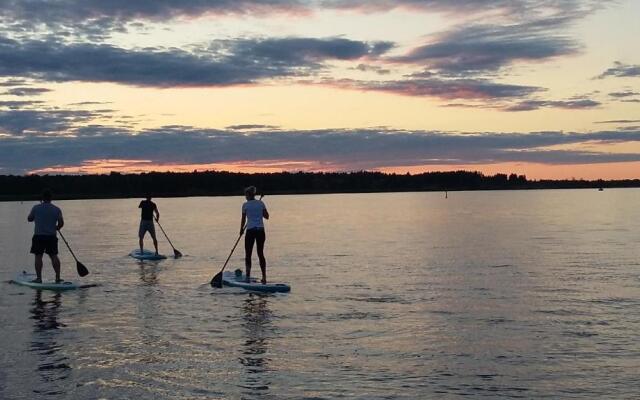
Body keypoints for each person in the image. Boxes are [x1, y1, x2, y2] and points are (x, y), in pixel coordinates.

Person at [27, 189, 64, 283]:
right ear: (51, 198)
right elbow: (61, 223)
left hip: (39, 236)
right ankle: (58, 278)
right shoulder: (57, 209)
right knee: (54, 256)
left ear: (42, 198)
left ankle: (39, 278)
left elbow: (29, 219)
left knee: (38, 256)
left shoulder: (36, 207)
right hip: (51, 236)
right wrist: (57, 228)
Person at [240, 186, 269, 284]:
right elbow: (267, 216)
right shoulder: (260, 203)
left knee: (248, 254)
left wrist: (241, 230)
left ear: (248, 195)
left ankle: (248, 276)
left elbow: (243, 219)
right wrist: (259, 211)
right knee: (260, 253)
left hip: (251, 231)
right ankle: (264, 277)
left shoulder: (245, 205)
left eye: (245, 195)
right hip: (260, 231)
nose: (245, 197)